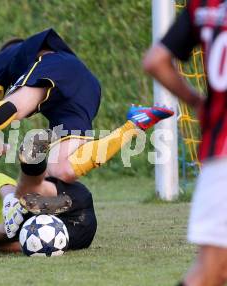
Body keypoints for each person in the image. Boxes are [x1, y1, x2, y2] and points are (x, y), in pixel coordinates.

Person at [0, 105, 174, 253]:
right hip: (69, 236)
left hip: (60, 201)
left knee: (26, 191)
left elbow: (4, 188)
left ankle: (34, 163)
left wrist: (8, 206)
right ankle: (23, 224)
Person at [0, 28, 173, 183]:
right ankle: (134, 123)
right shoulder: (55, 59)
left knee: (18, 105)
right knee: (63, 170)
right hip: (87, 88)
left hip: (53, 65)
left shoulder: (6, 56)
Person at [143, 1, 227, 286]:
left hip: (222, 151)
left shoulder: (205, 5)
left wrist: (196, 102)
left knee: (211, 272)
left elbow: (155, 60)